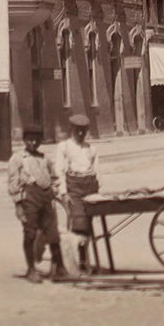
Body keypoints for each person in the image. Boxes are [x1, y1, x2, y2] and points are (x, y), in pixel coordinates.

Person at [7, 129, 64, 283]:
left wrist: (57, 193)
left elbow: (54, 178)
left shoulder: (45, 158)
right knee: (30, 233)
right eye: (30, 140)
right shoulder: (18, 158)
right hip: (29, 199)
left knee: (53, 234)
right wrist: (18, 206)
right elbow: (13, 183)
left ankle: (60, 267)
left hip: (46, 198)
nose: (33, 143)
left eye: (36, 140)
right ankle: (31, 269)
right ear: (24, 140)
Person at [48, 113, 99, 275]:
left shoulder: (91, 149)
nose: (81, 133)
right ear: (72, 129)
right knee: (79, 224)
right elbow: (59, 171)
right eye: (78, 130)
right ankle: (76, 263)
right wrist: (64, 192)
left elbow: (96, 171)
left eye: (84, 130)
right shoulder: (64, 147)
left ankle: (84, 259)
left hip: (89, 186)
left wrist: (97, 191)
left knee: (88, 225)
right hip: (74, 187)